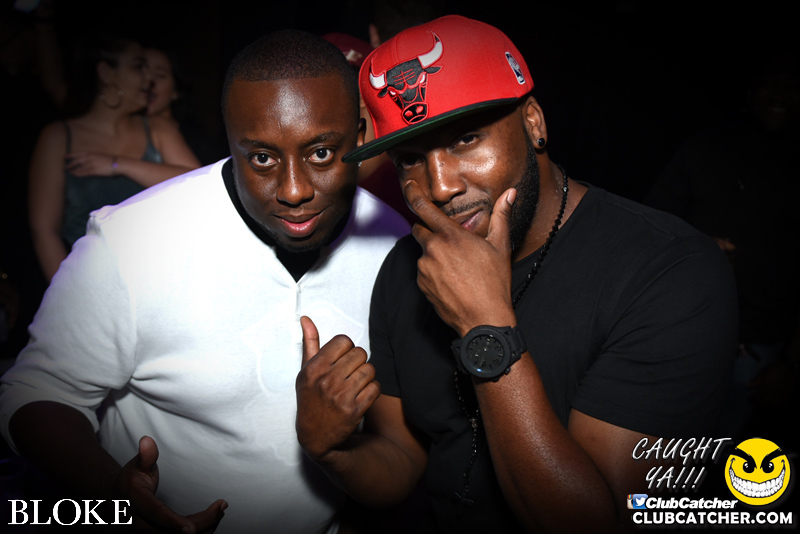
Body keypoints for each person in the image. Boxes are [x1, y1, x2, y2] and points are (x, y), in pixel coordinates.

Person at [295, 15, 738, 533]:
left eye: (466, 140)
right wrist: (332, 451)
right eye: (411, 159)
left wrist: (485, 328)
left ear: (533, 122)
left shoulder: (669, 273)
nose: (440, 187)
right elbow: (402, 458)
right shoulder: (406, 267)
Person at [1, 29, 409, 533]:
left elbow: (398, 447)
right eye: (262, 158)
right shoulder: (132, 241)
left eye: (321, 153)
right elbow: (36, 392)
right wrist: (111, 494)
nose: (294, 189)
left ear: (361, 135)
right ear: (230, 141)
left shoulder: (394, 243)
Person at [28, 33, 201, 283]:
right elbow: (44, 231)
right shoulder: (58, 136)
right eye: (138, 67)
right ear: (106, 73)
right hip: (89, 280)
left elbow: (196, 184)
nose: (149, 78)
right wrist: (67, 293)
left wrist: (118, 164)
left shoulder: (158, 128)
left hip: (161, 277)